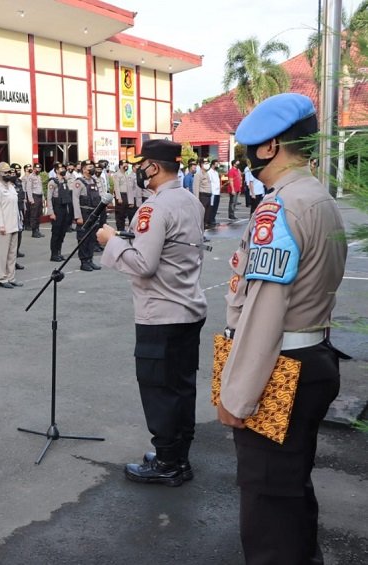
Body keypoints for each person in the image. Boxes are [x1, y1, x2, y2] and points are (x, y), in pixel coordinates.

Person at [216, 93, 348, 564]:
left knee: (268, 503)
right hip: (311, 356)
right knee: (290, 490)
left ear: (269, 146)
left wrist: (237, 396)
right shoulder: (318, 197)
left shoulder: (281, 208)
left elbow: (264, 311)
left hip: (279, 368)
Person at [97, 139, 207, 487]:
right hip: (188, 307)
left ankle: (167, 462)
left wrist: (112, 241)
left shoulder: (154, 207)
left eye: (142, 164)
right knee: (182, 387)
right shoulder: (191, 200)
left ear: (155, 167)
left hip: (161, 312)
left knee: (159, 389)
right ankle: (178, 456)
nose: (139, 171)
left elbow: (144, 265)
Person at [0, 163, 23, 289]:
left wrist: (19, 222)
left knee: (12, 254)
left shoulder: (11, 187)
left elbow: (15, 207)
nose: (8, 174)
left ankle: (11, 277)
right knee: (2, 255)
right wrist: (1, 225)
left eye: (9, 172)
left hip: (14, 225)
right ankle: (2, 278)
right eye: (5, 172)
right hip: (3, 227)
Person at [74, 164, 99, 271]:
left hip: (93, 212)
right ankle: (84, 262)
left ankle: (90, 259)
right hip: (84, 212)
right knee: (83, 238)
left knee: (92, 237)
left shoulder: (93, 180)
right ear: (84, 170)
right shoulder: (79, 182)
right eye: (89, 167)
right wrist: (78, 216)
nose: (92, 169)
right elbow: (75, 200)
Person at [46, 162, 73, 262]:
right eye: (61, 169)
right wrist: (51, 213)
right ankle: (53, 254)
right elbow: (49, 198)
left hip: (64, 208)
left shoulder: (65, 181)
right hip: (57, 208)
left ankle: (59, 252)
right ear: (57, 170)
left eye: (64, 169)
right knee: (56, 232)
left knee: (62, 232)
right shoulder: (53, 182)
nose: (63, 170)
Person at [192, 157, 214, 229]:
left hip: (208, 196)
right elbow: (196, 188)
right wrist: (197, 200)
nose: (207, 165)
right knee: (202, 214)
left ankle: (205, 227)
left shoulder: (207, 173)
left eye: (208, 163)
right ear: (201, 164)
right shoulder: (198, 174)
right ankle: (201, 229)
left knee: (207, 214)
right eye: (206, 163)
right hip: (202, 196)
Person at [112, 160, 132, 231]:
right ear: (120, 166)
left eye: (127, 164)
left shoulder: (126, 174)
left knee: (124, 214)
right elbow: (116, 187)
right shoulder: (117, 175)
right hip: (121, 195)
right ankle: (120, 229)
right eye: (124, 164)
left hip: (126, 195)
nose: (126, 166)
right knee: (120, 214)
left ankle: (123, 229)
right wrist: (118, 198)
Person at [25, 163, 45, 238]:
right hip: (34, 196)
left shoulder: (39, 176)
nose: (38, 169)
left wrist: (43, 198)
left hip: (39, 196)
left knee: (38, 214)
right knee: (34, 215)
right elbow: (28, 188)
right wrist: (31, 199)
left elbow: (41, 187)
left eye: (39, 168)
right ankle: (34, 231)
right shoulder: (30, 177)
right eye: (36, 168)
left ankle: (37, 230)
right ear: (33, 168)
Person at [207, 160, 223, 228]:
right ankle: (210, 220)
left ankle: (213, 218)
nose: (217, 165)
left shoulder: (216, 172)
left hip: (217, 192)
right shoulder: (209, 172)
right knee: (212, 207)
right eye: (216, 164)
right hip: (213, 192)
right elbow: (209, 182)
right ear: (213, 164)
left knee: (216, 207)